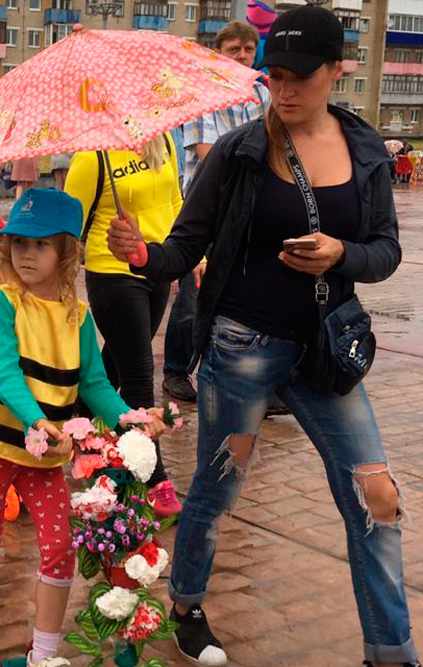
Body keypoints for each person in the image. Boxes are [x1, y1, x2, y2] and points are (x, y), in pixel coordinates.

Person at [107, 8, 415, 666]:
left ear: (338, 70)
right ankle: (186, 603)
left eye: (303, 76)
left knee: (376, 495)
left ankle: (391, 652)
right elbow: (185, 245)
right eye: (276, 75)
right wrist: (142, 254)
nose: (288, 89)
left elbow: (386, 250)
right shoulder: (241, 150)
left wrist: (341, 254)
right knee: (218, 489)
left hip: (325, 357)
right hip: (242, 351)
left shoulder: (365, 153)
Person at [0, 189, 166, 667]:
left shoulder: (78, 315)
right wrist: (38, 420)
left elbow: (94, 384)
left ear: (67, 251)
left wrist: (131, 417)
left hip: (45, 456)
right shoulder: (1, 303)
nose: (27, 254)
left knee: (60, 551)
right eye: (20, 243)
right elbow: (4, 372)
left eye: (41, 245)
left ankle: (43, 654)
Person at [65, 134, 183, 516]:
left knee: (116, 360)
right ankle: (152, 478)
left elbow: (174, 201)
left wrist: (188, 256)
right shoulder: (92, 156)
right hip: (113, 273)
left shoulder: (162, 138)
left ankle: (75, 427)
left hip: (157, 264)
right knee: (138, 373)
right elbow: (70, 228)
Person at [164, 20, 271, 405]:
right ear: (218, 53)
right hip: (209, 205)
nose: (241, 56)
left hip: (253, 206)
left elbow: (275, 139)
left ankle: (251, 376)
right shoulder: (202, 93)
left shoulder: (262, 93)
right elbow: (210, 153)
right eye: (233, 50)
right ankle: (176, 370)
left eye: (247, 49)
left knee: (250, 289)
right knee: (195, 290)